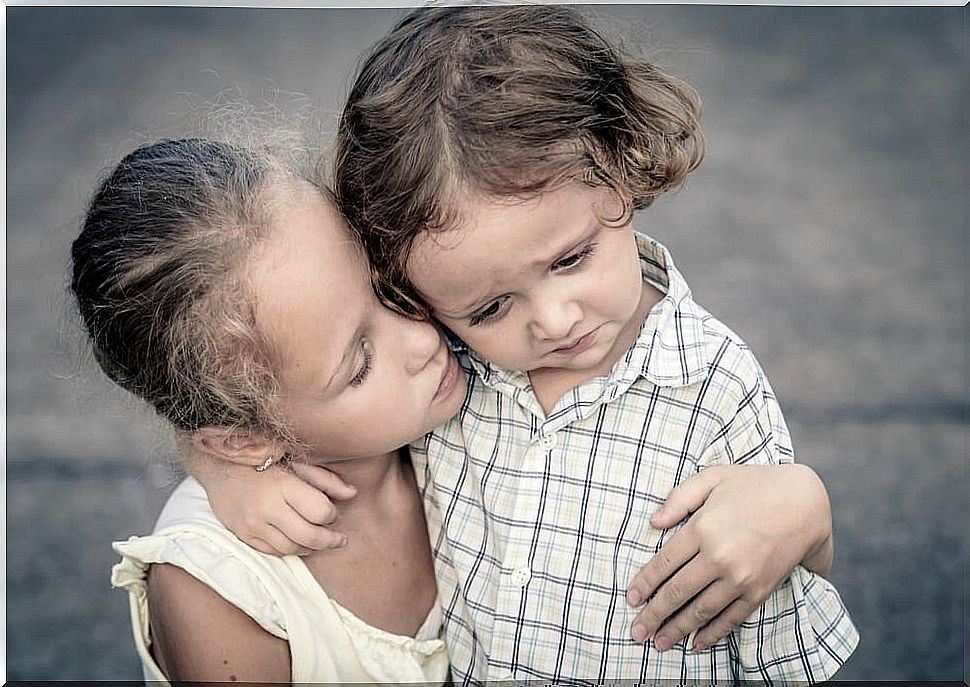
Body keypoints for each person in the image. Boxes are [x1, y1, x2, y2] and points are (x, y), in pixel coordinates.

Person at [199, 6, 858, 684]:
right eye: (489, 306)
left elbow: (784, 613)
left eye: (571, 258)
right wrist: (219, 465)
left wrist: (803, 508)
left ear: (621, 159)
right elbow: (274, 390)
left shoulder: (713, 385)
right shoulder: (446, 368)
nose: (552, 320)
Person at [73, 138, 461, 683]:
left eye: (386, 282)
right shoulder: (220, 594)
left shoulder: (457, 389)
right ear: (244, 440)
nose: (423, 338)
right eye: (360, 366)